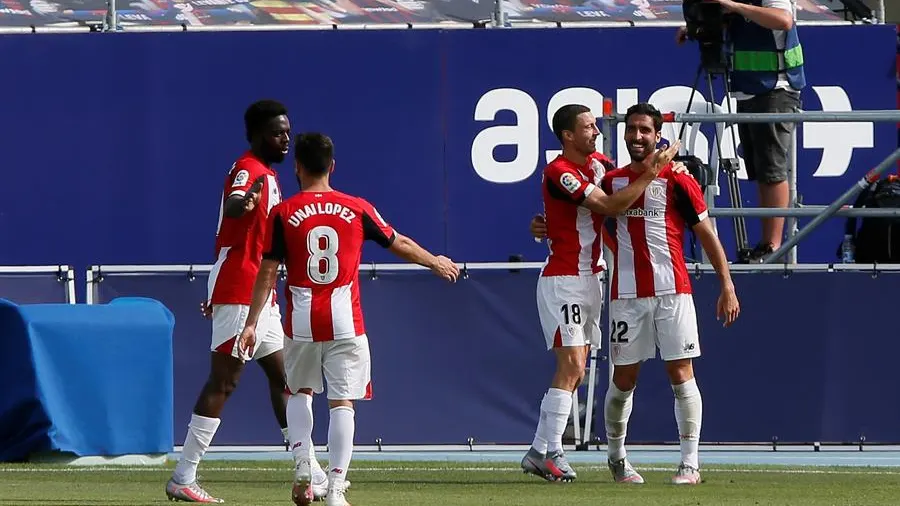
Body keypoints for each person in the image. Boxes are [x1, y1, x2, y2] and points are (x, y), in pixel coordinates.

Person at [238, 132, 459, 506]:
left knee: (298, 392)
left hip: (302, 321)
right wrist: (434, 261)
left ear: (298, 167)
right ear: (332, 166)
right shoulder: (356, 208)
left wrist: (251, 321)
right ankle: (337, 488)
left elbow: (268, 271)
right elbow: (398, 242)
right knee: (343, 403)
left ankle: (303, 466)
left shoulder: (283, 213)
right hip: (346, 322)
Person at [166, 100, 331, 503]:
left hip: (256, 292)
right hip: (242, 287)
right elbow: (236, 203)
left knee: (285, 380)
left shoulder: (267, 174)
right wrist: (245, 202)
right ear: (258, 135)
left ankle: (307, 468)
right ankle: (183, 476)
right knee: (225, 380)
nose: (286, 138)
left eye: (288, 131)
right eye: (278, 132)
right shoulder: (250, 170)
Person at [519, 103, 681, 483]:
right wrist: (655, 170)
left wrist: (675, 165)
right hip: (564, 279)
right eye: (589, 127)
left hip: (592, 277)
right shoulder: (560, 172)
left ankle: (541, 450)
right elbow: (610, 204)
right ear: (568, 136)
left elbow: (635, 173)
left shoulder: (599, 165)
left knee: (575, 370)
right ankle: (548, 451)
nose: (597, 132)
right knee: (572, 365)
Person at [599, 103, 740, 485]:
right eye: (632, 130)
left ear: (658, 135)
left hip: (673, 292)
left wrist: (726, 284)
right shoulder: (612, 182)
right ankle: (616, 458)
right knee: (623, 379)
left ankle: (690, 464)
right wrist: (542, 224)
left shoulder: (679, 180)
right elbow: (585, 218)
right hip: (626, 294)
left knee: (681, 373)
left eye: (645, 129)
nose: (637, 136)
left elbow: (707, 234)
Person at [678, 0, 806, 262]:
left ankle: (773, 246)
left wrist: (735, 6)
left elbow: (783, 19)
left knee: (772, 168)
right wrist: (698, 27)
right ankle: (765, 243)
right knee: (760, 169)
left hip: (776, 88)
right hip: (748, 88)